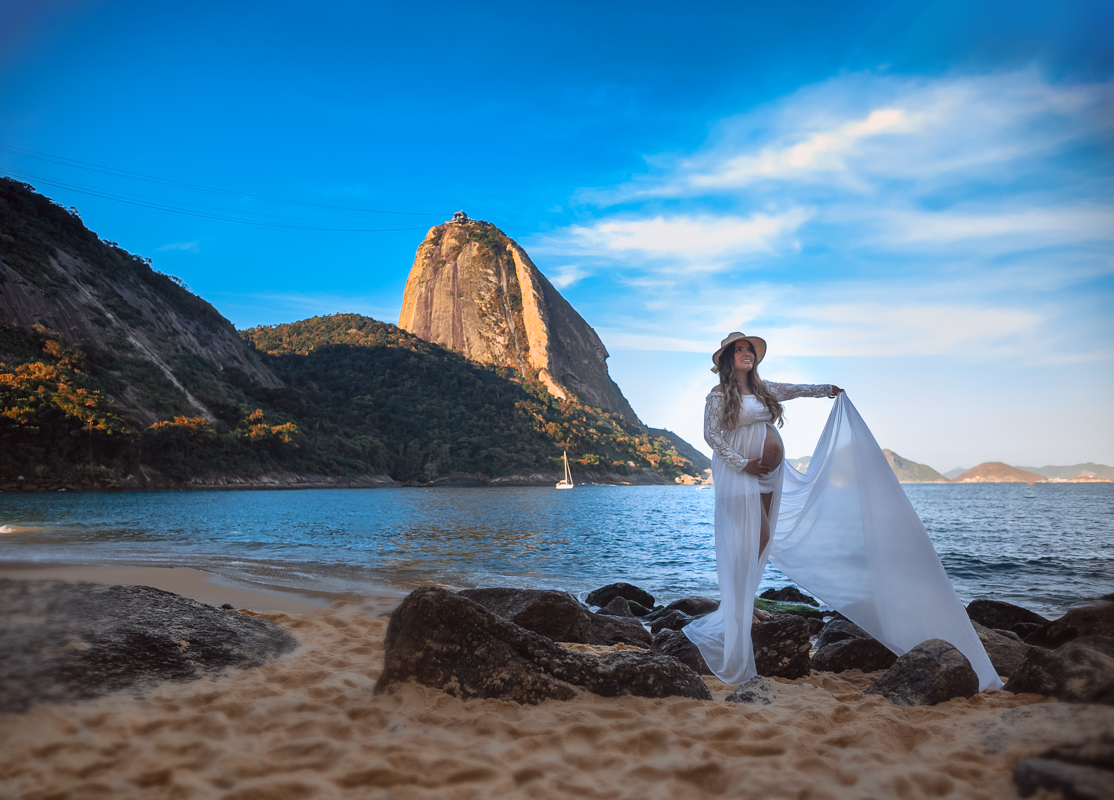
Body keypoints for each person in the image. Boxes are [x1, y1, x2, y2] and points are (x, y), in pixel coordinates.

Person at [683, 332, 1001, 691]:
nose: (746, 354)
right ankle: (737, 608)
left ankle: (744, 603)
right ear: (727, 359)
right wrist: (744, 464)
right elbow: (711, 436)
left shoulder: (765, 388)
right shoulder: (717, 395)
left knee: (764, 537)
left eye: (749, 350)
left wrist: (826, 390)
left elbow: (799, 389)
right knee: (748, 538)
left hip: (771, 474)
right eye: (739, 350)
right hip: (741, 474)